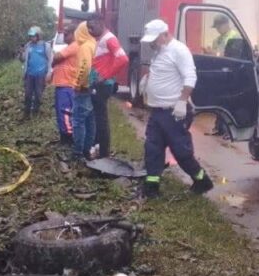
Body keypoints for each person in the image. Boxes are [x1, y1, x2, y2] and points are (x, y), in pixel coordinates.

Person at [139, 19, 214, 199]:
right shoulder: (159, 51)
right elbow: (162, 72)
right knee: (153, 148)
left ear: (165, 34)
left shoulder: (179, 50)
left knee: (181, 151)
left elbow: (190, 77)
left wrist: (182, 102)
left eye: (154, 39)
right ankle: (152, 187)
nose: (151, 43)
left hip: (174, 111)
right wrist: (147, 81)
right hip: (158, 111)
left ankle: (202, 180)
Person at [88, 19, 129, 158]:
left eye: (92, 27)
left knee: (101, 119)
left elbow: (123, 59)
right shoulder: (102, 39)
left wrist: (105, 75)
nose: (90, 31)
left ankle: (104, 153)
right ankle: (98, 148)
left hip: (102, 85)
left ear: (101, 23)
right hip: (98, 83)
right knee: (97, 117)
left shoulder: (110, 39)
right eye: (88, 28)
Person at [70, 22, 98, 160]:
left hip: (83, 88)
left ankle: (78, 153)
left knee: (78, 121)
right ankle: (87, 150)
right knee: (89, 120)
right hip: (92, 87)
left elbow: (84, 67)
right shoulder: (94, 44)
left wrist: (78, 83)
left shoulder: (85, 47)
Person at [49, 23, 80, 145]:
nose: (64, 37)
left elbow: (57, 57)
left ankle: (68, 137)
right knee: (61, 111)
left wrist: (54, 61)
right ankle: (64, 136)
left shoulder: (74, 46)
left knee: (65, 112)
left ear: (74, 34)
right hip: (63, 84)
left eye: (66, 35)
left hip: (67, 84)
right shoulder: (71, 46)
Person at [20, 26, 51, 119]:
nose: (31, 38)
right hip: (30, 74)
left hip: (40, 75)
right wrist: (21, 53)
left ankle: (36, 112)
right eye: (30, 36)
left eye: (33, 36)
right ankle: (26, 113)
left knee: (38, 94)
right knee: (28, 94)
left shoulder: (46, 46)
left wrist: (49, 73)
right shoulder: (28, 45)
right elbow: (24, 59)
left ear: (38, 36)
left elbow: (50, 60)